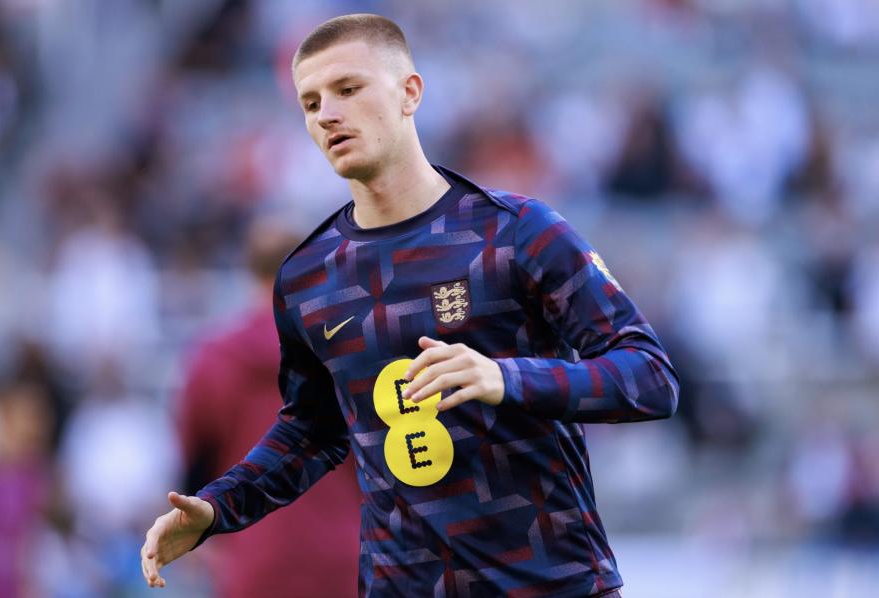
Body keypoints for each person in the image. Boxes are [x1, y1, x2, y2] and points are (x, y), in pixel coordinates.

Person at [141, 13, 679, 597]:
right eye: (311, 102)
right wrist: (219, 508)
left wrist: (505, 378)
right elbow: (311, 433)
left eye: (348, 89)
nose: (327, 114)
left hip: (553, 585)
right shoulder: (306, 279)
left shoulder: (518, 232)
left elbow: (649, 378)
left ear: (409, 93)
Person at [175, 219, 360, 597]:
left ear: (249, 270)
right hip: (346, 557)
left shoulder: (213, 357)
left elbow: (195, 460)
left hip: (252, 559)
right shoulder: (348, 350)